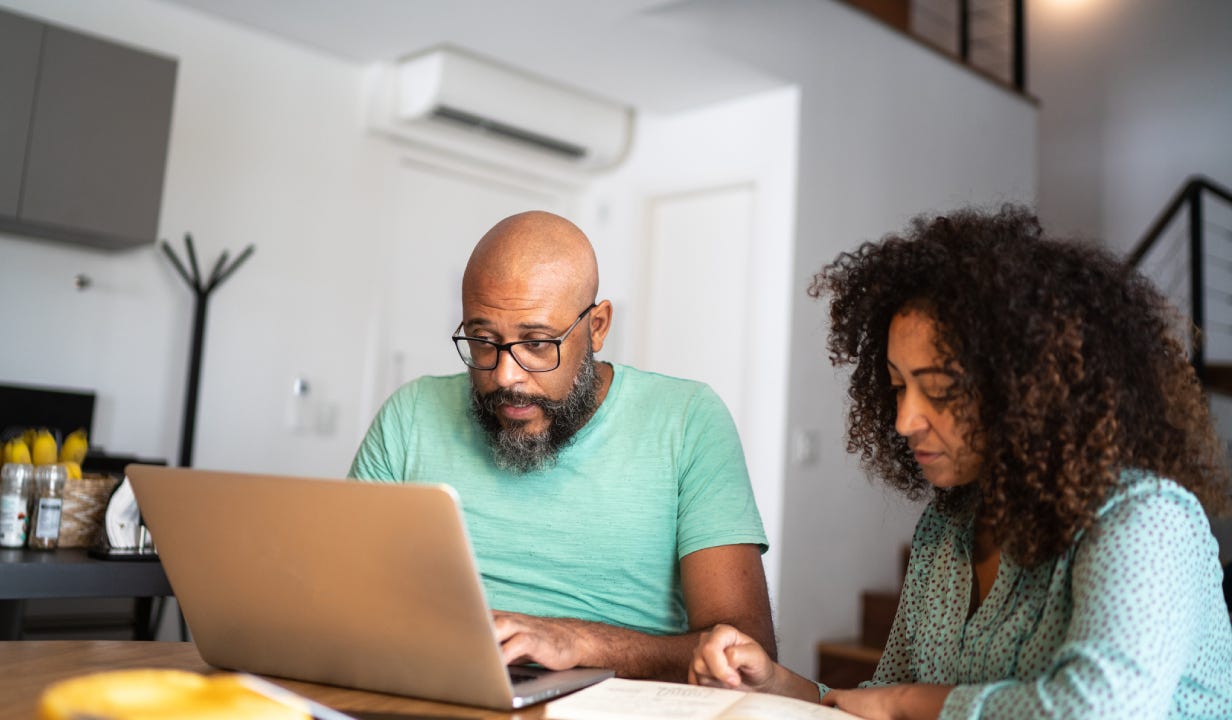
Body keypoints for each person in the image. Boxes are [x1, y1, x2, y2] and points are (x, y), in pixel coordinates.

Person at [690, 206, 1232, 718]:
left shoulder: (1145, 519)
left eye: (942, 391)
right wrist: (775, 685)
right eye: (898, 388)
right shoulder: (945, 530)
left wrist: (904, 705)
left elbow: (1099, 708)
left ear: (1031, 388)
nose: (905, 421)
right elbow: (885, 697)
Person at [349, 210, 775, 681]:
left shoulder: (688, 420)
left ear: (596, 326)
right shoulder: (410, 415)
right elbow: (341, 596)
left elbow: (745, 651)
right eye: (483, 340)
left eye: (536, 344)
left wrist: (578, 642)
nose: (505, 375)